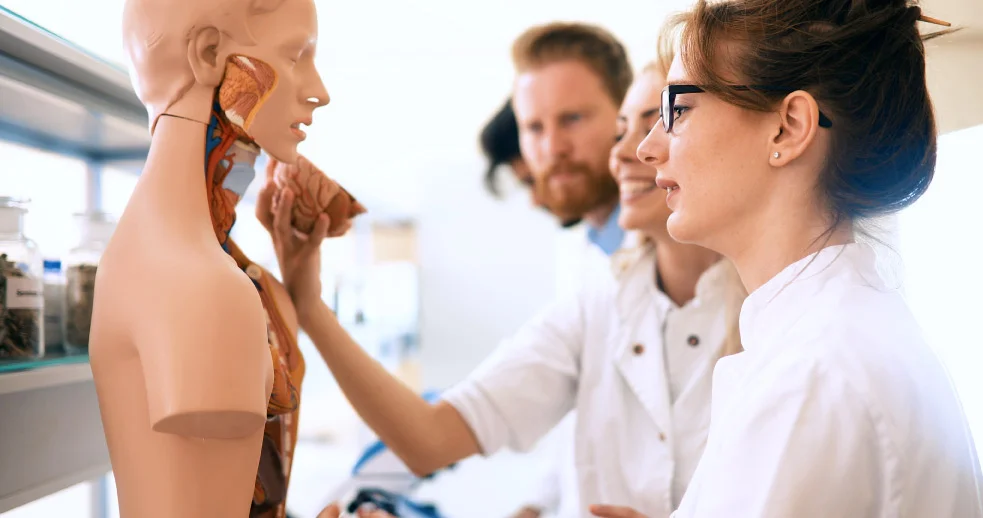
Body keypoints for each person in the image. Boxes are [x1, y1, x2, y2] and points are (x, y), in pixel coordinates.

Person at [260, 26, 748, 518]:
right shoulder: (598, 291)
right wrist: (309, 305)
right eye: (534, 128)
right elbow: (434, 435)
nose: (629, 152)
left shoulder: (769, 293)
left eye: (574, 119)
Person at [631, 1, 983, 516]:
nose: (647, 147)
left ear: (789, 126)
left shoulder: (813, 377)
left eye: (677, 109)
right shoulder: (830, 341)